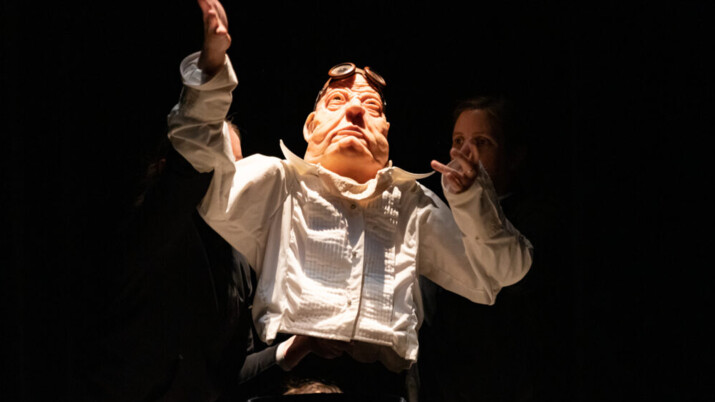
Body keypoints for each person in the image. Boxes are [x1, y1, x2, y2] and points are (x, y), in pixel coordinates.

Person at [168, 0, 533, 398]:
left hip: (380, 389)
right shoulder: (278, 183)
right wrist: (211, 73)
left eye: (371, 106)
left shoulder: (411, 204)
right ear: (311, 126)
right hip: (290, 384)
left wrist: (473, 203)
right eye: (337, 102)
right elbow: (198, 165)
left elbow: (493, 276)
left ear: (386, 132)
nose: (356, 109)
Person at [418, 96, 571, 401]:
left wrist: (471, 197)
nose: (464, 153)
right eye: (458, 141)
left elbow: (516, 280)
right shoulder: (439, 218)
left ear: (514, 156)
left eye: (482, 142)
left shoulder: (539, 219)